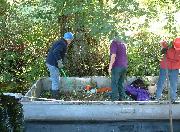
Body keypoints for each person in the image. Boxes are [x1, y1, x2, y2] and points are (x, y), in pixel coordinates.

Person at [46, 32, 74, 98]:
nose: (71, 42)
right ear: (68, 39)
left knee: (56, 78)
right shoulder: (63, 44)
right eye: (71, 40)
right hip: (52, 63)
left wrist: (59, 61)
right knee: (55, 79)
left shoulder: (61, 41)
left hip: (51, 62)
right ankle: (55, 97)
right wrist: (59, 61)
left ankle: (56, 92)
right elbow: (55, 51)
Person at [155, 37, 180, 103]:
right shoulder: (168, 46)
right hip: (165, 67)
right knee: (161, 82)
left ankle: (173, 99)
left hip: (175, 68)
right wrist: (164, 47)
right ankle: (157, 98)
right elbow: (161, 41)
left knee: (173, 84)